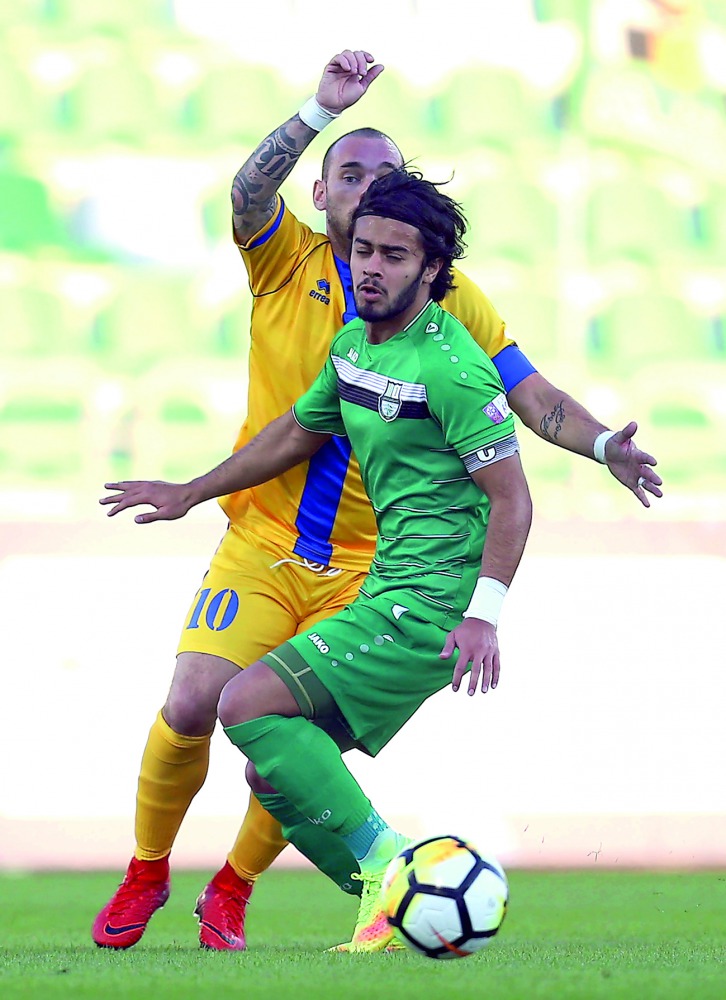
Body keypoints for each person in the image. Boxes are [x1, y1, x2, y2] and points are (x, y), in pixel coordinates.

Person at [92, 49, 663, 952]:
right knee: (196, 702)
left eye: (385, 177)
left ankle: (239, 889)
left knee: (283, 733)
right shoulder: (287, 261)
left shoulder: (447, 307)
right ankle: (150, 868)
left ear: (424, 255)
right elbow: (250, 206)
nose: (368, 191)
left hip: (375, 568)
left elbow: (530, 396)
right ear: (323, 195)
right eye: (351, 177)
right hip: (265, 541)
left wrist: (599, 445)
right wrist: (318, 110)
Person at [101, 166, 534, 953]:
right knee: (277, 770)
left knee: (244, 705)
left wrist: (485, 615)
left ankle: (388, 864)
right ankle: (386, 899)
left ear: (431, 269)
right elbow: (297, 433)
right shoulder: (355, 345)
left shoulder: (451, 366)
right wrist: (192, 490)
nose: (370, 267)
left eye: (393, 256)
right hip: (372, 585)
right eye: (363, 250)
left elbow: (513, 497)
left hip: (426, 605)